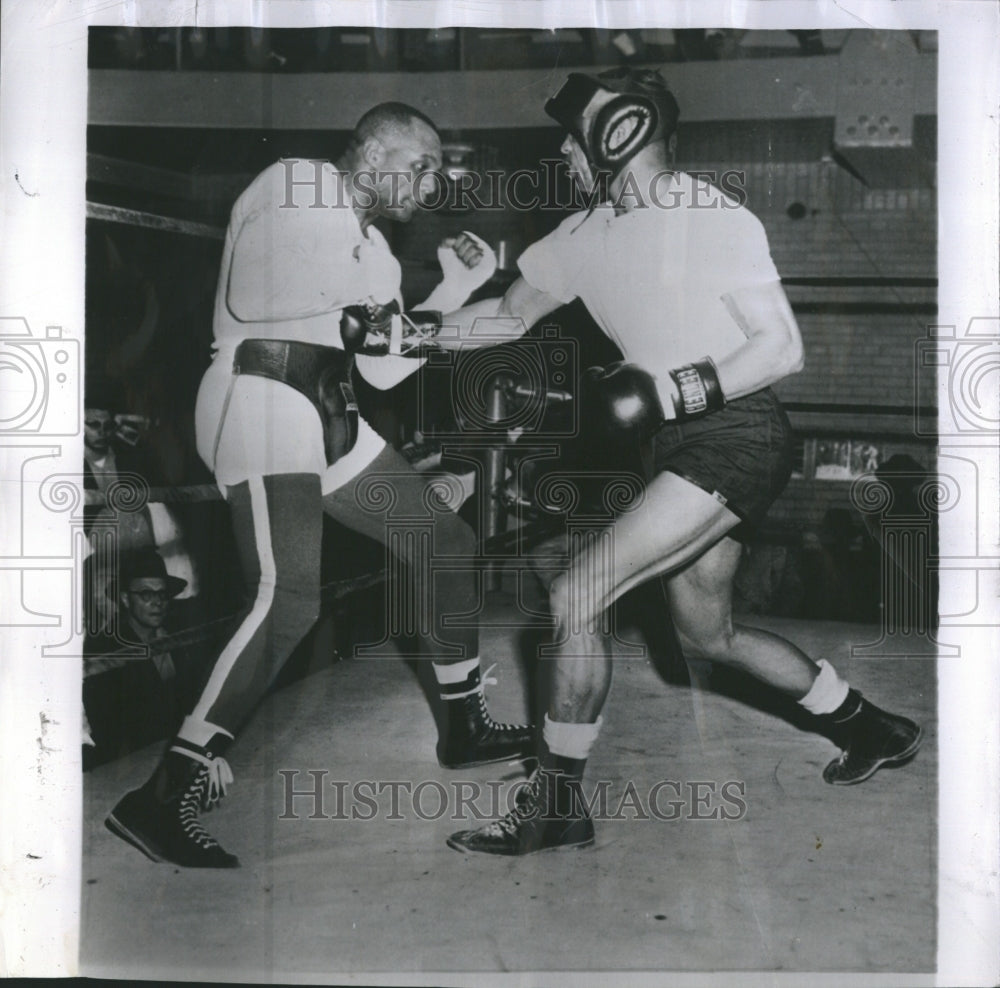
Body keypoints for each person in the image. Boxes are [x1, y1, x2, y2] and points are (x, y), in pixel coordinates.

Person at [444, 67, 923, 855]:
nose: (562, 151)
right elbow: (501, 316)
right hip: (680, 445)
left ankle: (558, 802)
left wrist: (667, 394)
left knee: (577, 593)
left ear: (620, 131)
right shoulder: (582, 235)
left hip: (738, 433)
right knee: (710, 636)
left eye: (575, 133)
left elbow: (781, 346)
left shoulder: (710, 215)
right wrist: (405, 334)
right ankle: (871, 725)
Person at [105, 102, 532, 868]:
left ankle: (463, 720)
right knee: (289, 597)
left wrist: (452, 292)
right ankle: (163, 795)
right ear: (371, 155)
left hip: (332, 411)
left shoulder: (382, 255)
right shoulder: (297, 183)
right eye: (421, 164)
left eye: (440, 171)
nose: (432, 183)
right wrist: (368, 321)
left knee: (442, 540)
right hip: (262, 392)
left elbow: (381, 367)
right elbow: (253, 296)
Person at [84, 549, 209, 769]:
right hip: (129, 764)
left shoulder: (178, 634)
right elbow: (110, 728)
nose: (157, 602)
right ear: (125, 599)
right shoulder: (105, 648)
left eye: (161, 594)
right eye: (146, 594)